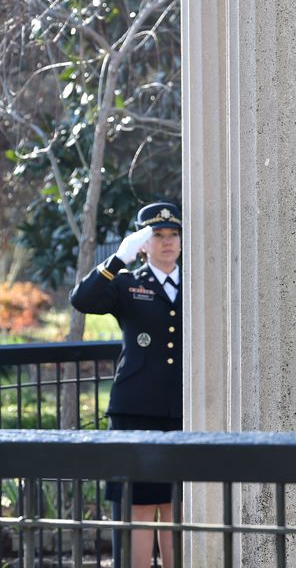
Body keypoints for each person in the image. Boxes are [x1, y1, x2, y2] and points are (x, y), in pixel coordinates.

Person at [70, 202, 182, 568]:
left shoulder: (198, 284)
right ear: (144, 244)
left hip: (184, 409)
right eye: (157, 236)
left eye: (173, 234)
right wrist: (119, 257)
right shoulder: (129, 283)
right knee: (138, 504)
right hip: (135, 408)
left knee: (177, 505)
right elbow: (82, 300)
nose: (167, 242)